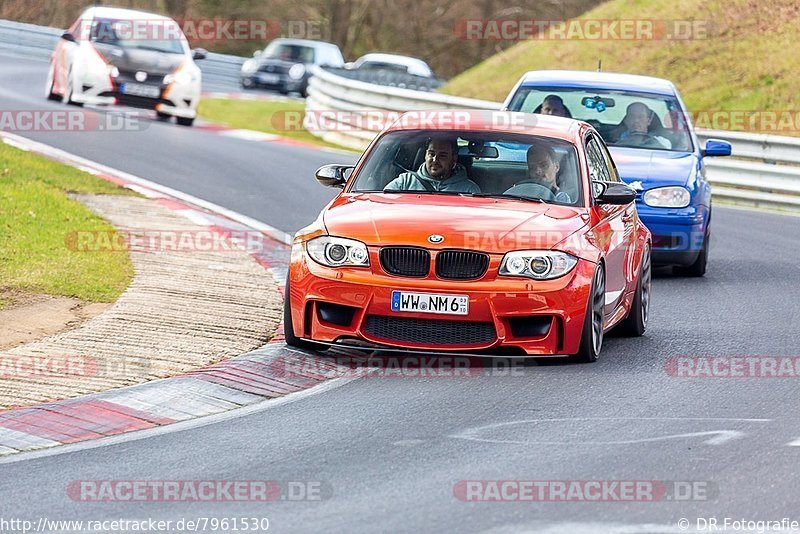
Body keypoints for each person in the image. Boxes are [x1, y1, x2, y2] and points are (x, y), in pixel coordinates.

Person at [384, 137, 480, 193]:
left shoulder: (469, 190)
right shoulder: (405, 182)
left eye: (442, 155)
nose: (435, 160)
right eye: (431, 154)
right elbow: (382, 204)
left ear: (454, 158)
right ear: (425, 155)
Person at [504, 143, 571, 202]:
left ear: (556, 166)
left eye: (544, 165)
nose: (538, 171)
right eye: (532, 168)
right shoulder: (519, 194)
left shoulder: (564, 199)